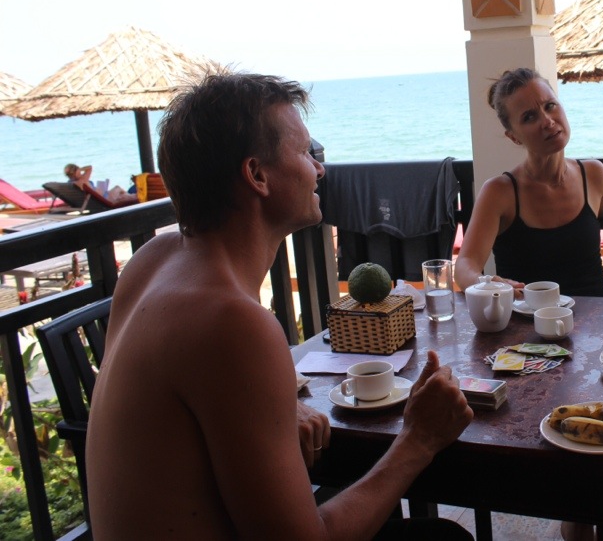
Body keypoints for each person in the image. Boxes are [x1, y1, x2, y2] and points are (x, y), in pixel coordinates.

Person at [85, 73, 474, 540]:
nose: (319, 170)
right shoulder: (231, 321)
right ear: (257, 175)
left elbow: (195, 399)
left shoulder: (154, 260)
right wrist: (419, 440)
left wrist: (280, 403)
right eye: (307, 153)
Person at [454, 67, 603, 298]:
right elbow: (465, 265)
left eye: (550, 106)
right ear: (513, 136)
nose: (547, 121)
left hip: (597, 313)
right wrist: (486, 284)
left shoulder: (592, 174)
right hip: (530, 315)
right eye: (529, 117)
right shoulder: (500, 192)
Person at [63, 162, 137, 205]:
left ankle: (132, 197)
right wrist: (80, 169)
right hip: (105, 199)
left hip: (98, 200)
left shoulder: (70, 183)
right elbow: (90, 167)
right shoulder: (82, 180)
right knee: (117, 188)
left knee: (123, 196)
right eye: (78, 169)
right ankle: (136, 198)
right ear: (76, 171)